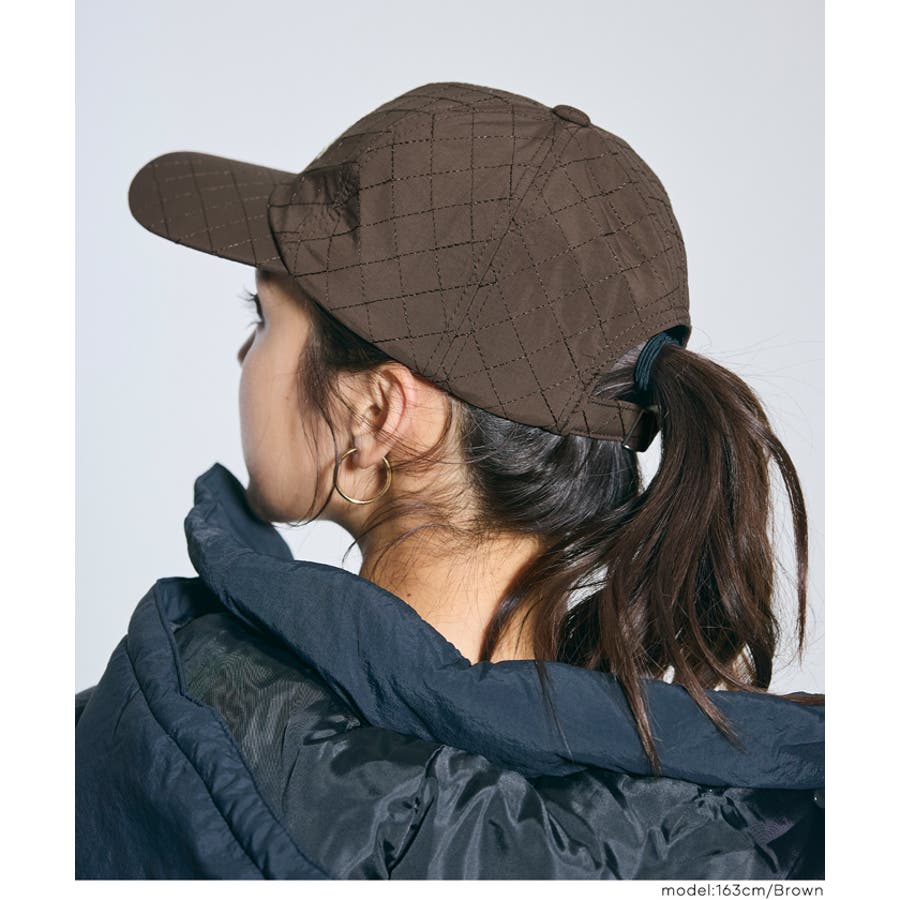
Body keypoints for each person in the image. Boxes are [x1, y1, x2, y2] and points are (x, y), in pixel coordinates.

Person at [75, 81, 824, 879]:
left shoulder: (145, 745)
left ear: (376, 414)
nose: (242, 356)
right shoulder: (770, 832)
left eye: (262, 318)